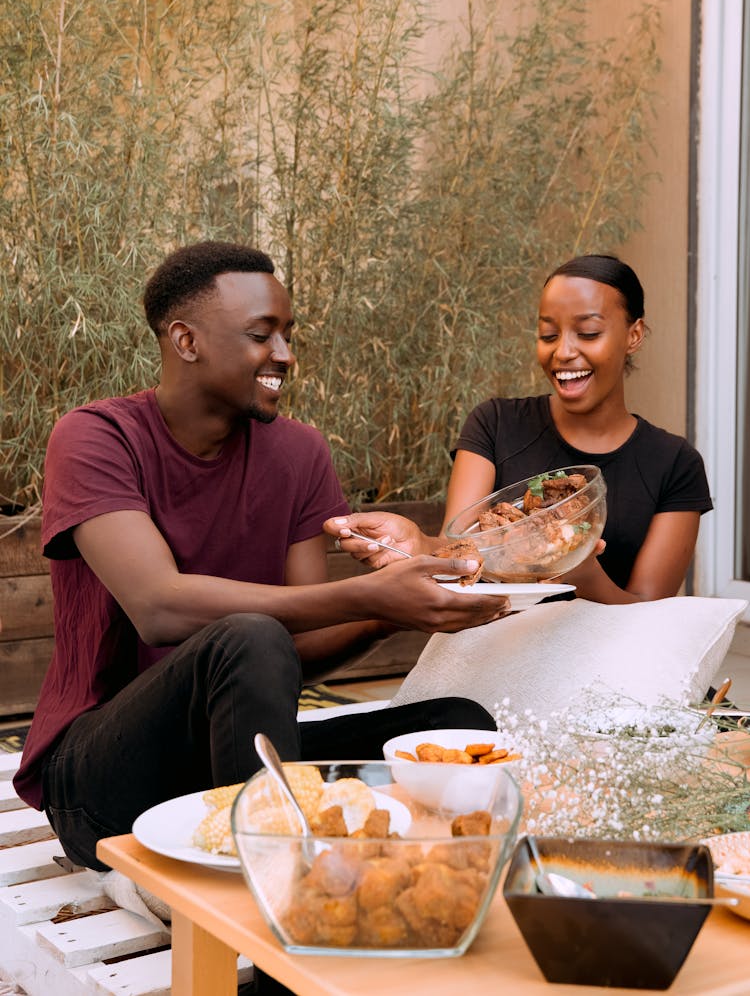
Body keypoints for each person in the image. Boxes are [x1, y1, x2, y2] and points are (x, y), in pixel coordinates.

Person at [13, 240, 506, 877]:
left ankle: (419, 895)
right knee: (247, 636)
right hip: (103, 783)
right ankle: (283, 918)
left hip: (242, 761)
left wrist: (400, 608)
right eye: (261, 335)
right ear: (185, 341)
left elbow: (299, 645)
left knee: (458, 727)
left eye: (288, 334)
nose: (285, 355)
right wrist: (367, 597)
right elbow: (159, 607)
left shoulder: (299, 452)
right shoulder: (95, 438)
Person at [328, 254, 713, 604]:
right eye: (548, 335)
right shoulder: (495, 424)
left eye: (589, 333)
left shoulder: (674, 464)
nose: (562, 351)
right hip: (498, 653)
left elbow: (651, 616)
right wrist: (417, 542)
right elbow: (461, 550)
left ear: (634, 335)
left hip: (613, 670)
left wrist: (582, 575)